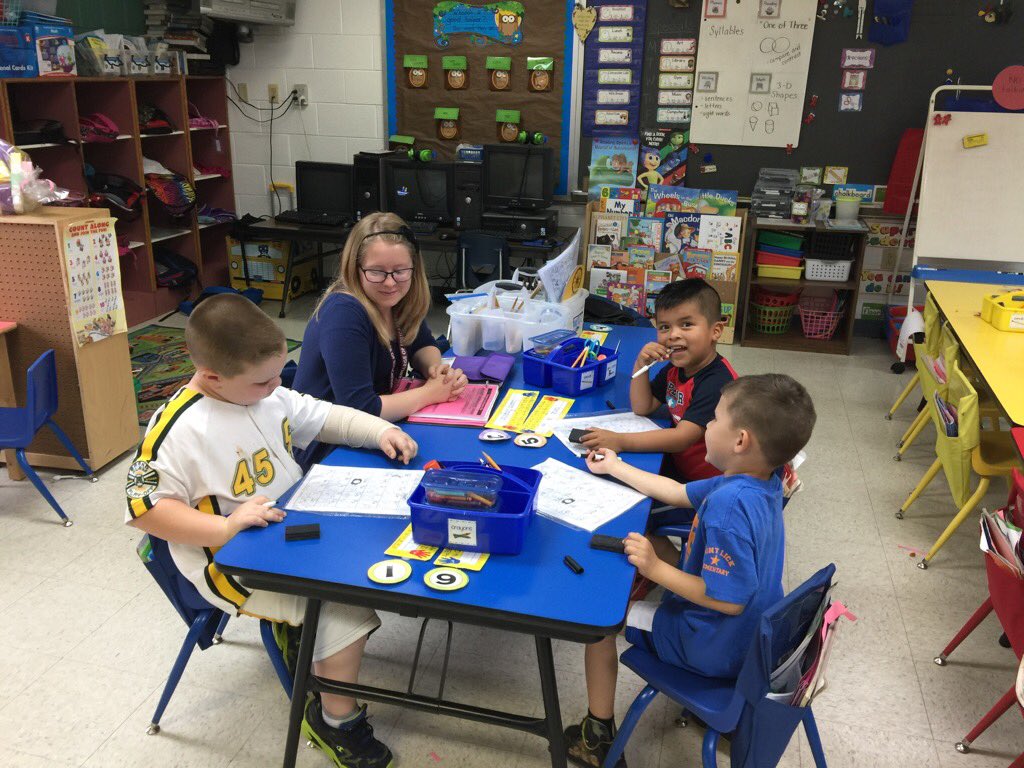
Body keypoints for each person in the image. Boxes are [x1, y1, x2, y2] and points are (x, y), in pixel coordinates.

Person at [125, 294, 417, 768]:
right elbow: (143, 510)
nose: (274, 387)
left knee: (378, 551)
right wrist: (224, 525)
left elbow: (322, 416)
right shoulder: (179, 430)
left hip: (288, 528)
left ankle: (308, 640)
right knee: (343, 604)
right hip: (233, 560)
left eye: (278, 374)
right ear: (212, 376)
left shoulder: (264, 392)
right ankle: (334, 721)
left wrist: (377, 431)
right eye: (262, 381)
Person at [565, 374, 817, 768]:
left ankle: (597, 736)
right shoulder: (757, 480)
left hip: (713, 644)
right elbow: (679, 493)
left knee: (598, 624)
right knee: (662, 561)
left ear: (740, 441)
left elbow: (727, 601)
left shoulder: (728, 510)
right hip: (754, 637)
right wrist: (615, 467)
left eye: (715, 420)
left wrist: (652, 567)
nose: (708, 427)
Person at [294, 211, 467, 467]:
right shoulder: (344, 312)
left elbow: (423, 343)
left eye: (400, 271)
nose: (389, 282)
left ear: (413, 269)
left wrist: (434, 369)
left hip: (379, 427)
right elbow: (359, 408)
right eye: (376, 272)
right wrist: (430, 394)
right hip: (330, 446)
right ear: (355, 268)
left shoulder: (398, 299)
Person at [580, 278, 737, 486]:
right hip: (680, 466)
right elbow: (642, 406)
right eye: (664, 327)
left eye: (686, 324)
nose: (673, 335)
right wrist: (641, 364)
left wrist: (619, 441)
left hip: (707, 484)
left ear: (715, 331)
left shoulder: (718, 382)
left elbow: (683, 438)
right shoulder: (676, 368)